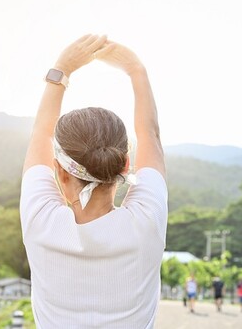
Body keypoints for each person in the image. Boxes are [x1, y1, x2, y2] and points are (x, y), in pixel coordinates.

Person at [20, 34, 167, 328]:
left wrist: (62, 68)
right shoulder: (146, 222)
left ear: (59, 172)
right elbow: (149, 134)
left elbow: (40, 133)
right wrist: (136, 69)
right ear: (126, 164)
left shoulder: (40, 220)